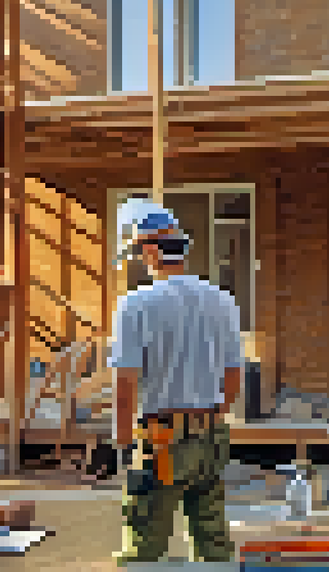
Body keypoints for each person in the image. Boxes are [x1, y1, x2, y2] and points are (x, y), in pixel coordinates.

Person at [108, 198, 242, 564]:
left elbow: (125, 387)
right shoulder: (222, 301)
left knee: (145, 542)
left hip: (161, 439)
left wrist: (122, 445)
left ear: (150, 250)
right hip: (211, 435)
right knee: (213, 539)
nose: (138, 261)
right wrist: (211, 418)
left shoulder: (135, 305)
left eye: (138, 252)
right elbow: (233, 377)